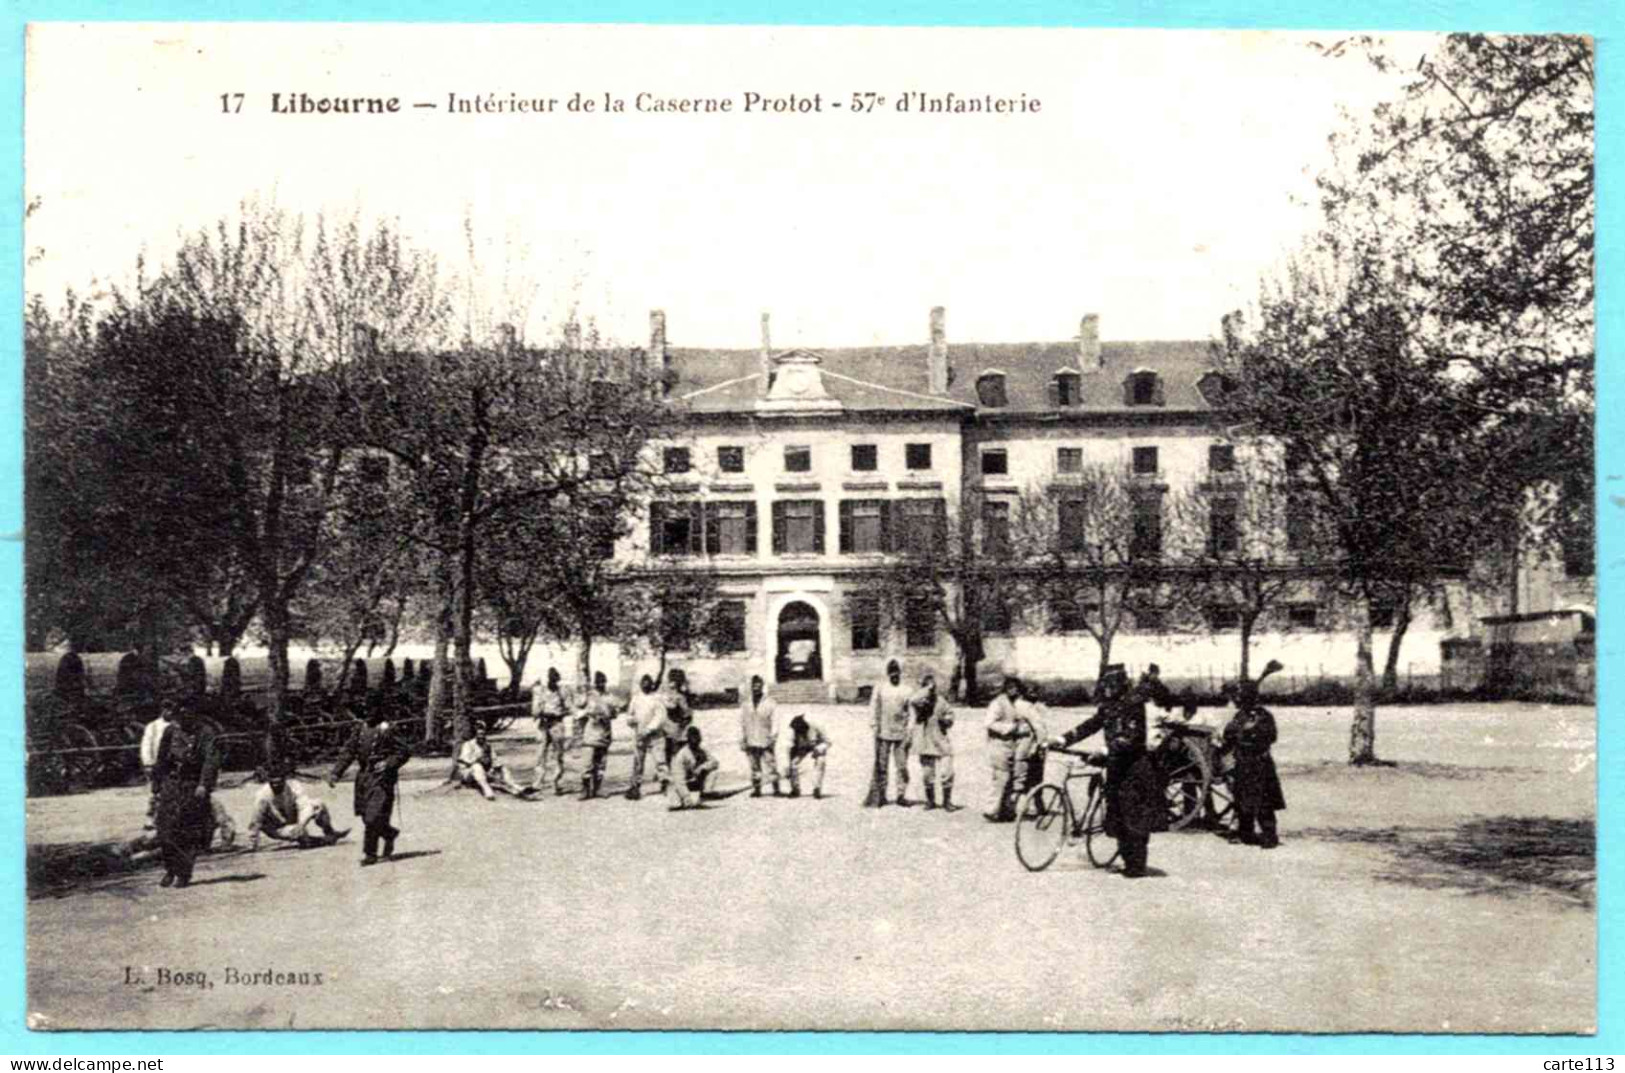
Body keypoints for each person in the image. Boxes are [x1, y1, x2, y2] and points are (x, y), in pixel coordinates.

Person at [1047, 664, 1165, 878]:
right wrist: (1063, 738)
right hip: (1116, 767)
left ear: (1120, 685)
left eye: (1111, 685)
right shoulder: (1110, 706)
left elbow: (1132, 738)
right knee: (1118, 814)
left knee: (1134, 816)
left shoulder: (1134, 704)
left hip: (1134, 770)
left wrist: (1105, 750)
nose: (1107, 690)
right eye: (1105, 685)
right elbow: (1091, 724)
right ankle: (1127, 859)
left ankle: (1136, 865)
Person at [329, 707, 413, 866]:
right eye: (366, 709)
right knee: (365, 814)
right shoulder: (360, 729)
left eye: (373, 708)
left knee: (372, 816)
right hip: (363, 777)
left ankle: (370, 853)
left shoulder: (388, 728)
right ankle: (389, 833)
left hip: (382, 779)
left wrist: (388, 764)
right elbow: (348, 751)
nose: (369, 713)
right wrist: (336, 773)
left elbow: (404, 751)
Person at [151, 700, 221, 889]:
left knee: (187, 830)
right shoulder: (170, 731)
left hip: (192, 785)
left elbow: (210, 761)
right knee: (164, 829)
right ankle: (170, 869)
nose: (183, 718)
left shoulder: (206, 733)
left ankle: (183, 873)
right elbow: (161, 758)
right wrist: (156, 783)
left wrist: (204, 785)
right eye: (179, 715)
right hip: (171, 784)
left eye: (187, 714)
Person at [1222, 662, 1286, 848]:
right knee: (1242, 800)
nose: (1239, 701)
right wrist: (1238, 732)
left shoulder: (1264, 716)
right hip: (1243, 763)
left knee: (1264, 801)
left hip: (1259, 763)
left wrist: (1251, 734)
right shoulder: (1239, 716)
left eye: (1242, 698)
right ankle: (1246, 833)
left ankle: (1269, 835)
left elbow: (1271, 736)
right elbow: (1228, 735)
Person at [247, 763, 348, 849]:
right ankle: (319, 841)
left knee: (318, 804)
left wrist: (301, 824)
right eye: (273, 783)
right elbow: (255, 821)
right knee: (302, 836)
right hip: (277, 827)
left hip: (292, 818)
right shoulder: (262, 795)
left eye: (279, 782)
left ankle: (329, 831)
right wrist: (253, 843)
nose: (276, 785)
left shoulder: (294, 787)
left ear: (284, 780)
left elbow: (305, 806)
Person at [865, 660, 914, 807]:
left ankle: (901, 795)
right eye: (891, 674)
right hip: (883, 733)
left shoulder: (907, 690)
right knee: (882, 766)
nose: (894, 676)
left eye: (896, 673)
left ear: (900, 673)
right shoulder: (880, 689)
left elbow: (912, 712)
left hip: (901, 733)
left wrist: (910, 730)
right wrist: (874, 725)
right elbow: (873, 707)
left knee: (902, 766)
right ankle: (881, 795)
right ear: (887, 674)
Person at [984, 676, 1033, 822]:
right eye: (1010, 687)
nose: (1013, 690)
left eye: (1016, 687)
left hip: (1014, 745)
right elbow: (989, 723)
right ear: (1005, 689)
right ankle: (991, 809)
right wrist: (1011, 728)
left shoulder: (1020, 703)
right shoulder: (997, 703)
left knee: (1012, 779)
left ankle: (1007, 811)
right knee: (1001, 778)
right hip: (999, 744)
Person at [911, 672, 960, 812]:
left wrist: (947, 720)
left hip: (941, 741)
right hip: (926, 742)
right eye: (929, 688)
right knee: (928, 775)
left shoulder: (941, 701)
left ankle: (947, 801)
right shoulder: (920, 703)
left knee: (947, 772)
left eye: (933, 688)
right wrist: (925, 690)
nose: (932, 691)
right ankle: (931, 801)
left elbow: (950, 713)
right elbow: (913, 700)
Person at [574, 672, 618, 800]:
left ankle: (597, 789)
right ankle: (585, 790)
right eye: (598, 682)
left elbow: (615, 713)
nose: (600, 684)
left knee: (601, 764)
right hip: (590, 734)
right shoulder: (589, 696)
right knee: (587, 764)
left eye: (602, 681)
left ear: (605, 682)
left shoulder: (610, 697)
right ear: (594, 682)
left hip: (604, 734)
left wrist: (608, 713)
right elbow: (577, 708)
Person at [456, 726, 530, 799]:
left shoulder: (487, 745)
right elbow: (464, 760)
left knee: (502, 767)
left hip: (484, 772)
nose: (481, 736)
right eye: (479, 734)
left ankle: (516, 787)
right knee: (477, 766)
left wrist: (495, 766)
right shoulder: (468, 745)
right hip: (469, 773)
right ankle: (487, 790)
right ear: (475, 735)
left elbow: (494, 759)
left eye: (483, 734)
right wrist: (478, 759)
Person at [530, 668, 571, 795]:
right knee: (540, 755)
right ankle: (537, 783)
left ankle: (557, 783)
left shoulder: (562, 691)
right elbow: (534, 711)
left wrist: (560, 713)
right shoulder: (539, 691)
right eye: (550, 679)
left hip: (557, 724)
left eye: (555, 680)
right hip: (543, 724)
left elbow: (569, 708)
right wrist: (541, 711)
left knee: (558, 755)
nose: (552, 682)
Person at [739, 675, 781, 798]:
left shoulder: (770, 702)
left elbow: (776, 721)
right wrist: (742, 738)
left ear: (762, 686)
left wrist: (773, 737)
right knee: (754, 766)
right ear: (751, 687)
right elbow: (741, 722)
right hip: (751, 738)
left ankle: (776, 789)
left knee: (771, 765)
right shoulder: (746, 703)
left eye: (758, 685)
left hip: (765, 738)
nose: (756, 688)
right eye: (754, 686)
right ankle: (757, 789)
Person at [624, 674, 665, 801]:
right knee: (638, 762)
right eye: (643, 683)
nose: (645, 685)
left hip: (655, 735)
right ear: (640, 685)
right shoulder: (636, 699)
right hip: (640, 735)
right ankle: (635, 787)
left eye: (648, 683)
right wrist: (631, 721)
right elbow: (629, 714)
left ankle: (666, 784)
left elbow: (660, 716)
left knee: (660, 761)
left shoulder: (657, 699)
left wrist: (650, 729)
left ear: (652, 685)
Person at [668, 725, 719, 811]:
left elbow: (715, 762)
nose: (696, 743)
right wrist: (686, 797)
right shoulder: (681, 755)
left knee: (713, 772)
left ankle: (706, 793)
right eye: (693, 740)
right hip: (682, 783)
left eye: (698, 740)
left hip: (695, 780)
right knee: (675, 804)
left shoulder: (701, 750)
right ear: (688, 741)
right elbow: (678, 779)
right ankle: (685, 799)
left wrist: (703, 767)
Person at [138, 702, 172, 827]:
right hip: (157, 763)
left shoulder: (176, 725)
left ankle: (167, 819)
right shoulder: (153, 726)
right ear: (163, 710)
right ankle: (151, 818)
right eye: (168, 710)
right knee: (155, 792)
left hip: (172, 763)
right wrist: (148, 763)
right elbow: (146, 745)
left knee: (171, 792)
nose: (170, 713)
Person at [659, 668, 695, 776]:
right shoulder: (676, 694)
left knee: (677, 750)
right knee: (671, 750)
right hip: (672, 726)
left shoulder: (680, 695)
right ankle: (674, 773)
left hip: (678, 726)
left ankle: (684, 773)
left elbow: (684, 711)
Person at [786, 715, 830, 799]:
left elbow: (828, 742)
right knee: (793, 763)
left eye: (800, 731)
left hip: (818, 745)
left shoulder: (817, 725)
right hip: (803, 746)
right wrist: (790, 770)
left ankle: (817, 788)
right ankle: (795, 789)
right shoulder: (795, 731)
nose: (798, 733)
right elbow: (792, 747)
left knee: (820, 762)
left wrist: (818, 749)